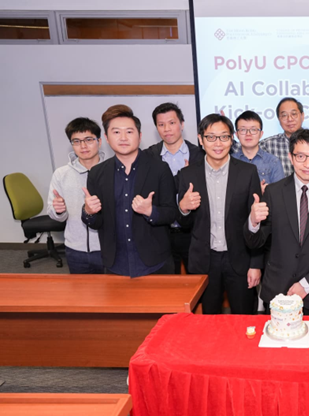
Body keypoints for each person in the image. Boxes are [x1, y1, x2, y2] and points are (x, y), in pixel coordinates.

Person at [245, 128, 309, 316]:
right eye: (300, 156)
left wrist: (307, 284)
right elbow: (256, 243)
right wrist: (253, 222)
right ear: (290, 157)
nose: (307, 164)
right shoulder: (273, 192)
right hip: (277, 293)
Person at [177, 113, 262, 314]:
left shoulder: (248, 172)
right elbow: (184, 224)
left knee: (244, 318)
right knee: (208, 319)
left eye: (224, 137)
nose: (218, 143)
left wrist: (256, 264)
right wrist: (184, 208)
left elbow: (258, 223)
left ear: (231, 139)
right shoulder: (187, 174)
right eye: (211, 137)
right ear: (201, 139)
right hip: (204, 262)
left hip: (240, 260)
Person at [82, 105, 177, 277]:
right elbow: (96, 222)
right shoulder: (97, 173)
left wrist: (150, 211)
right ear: (106, 138)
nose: (123, 138)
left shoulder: (159, 169)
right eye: (116, 132)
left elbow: (171, 213)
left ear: (139, 136)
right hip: (115, 264)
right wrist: (88, 212)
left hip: (154, 262)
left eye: (129, 132)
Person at [145, 102, 205, 274]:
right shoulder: (149, 156)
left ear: (182, 124)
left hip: (193, 232)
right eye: (161, 124)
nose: (167, 129)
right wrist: (182, 177)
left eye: (172, 123)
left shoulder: (199, 155)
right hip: (161, 232)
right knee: (167, 283)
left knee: (198, 280)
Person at [47, 117, 105, 274]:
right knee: (80, 289)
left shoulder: (112, 171)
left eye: (89, 140)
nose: (83, 146)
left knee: (113, 289)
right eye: (76, 141)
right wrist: (58, 210)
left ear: (99, 141)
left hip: (108, 248)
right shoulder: (61, 174)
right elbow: (55, 215)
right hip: (75, 250)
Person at [235, 97, 304, 177]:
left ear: (302, 116)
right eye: (284, 115)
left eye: (294, 114)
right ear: (279, 119)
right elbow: (245, 147)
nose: (290, 119)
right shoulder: (268, 144)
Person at [231, 110, 284, 194]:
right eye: (243, 130)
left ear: (261, 134)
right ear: (237, 134)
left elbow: (280, 194)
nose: (248, 134)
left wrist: (267, 192)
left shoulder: (273, 161)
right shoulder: (230, 161)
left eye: (253, 129)